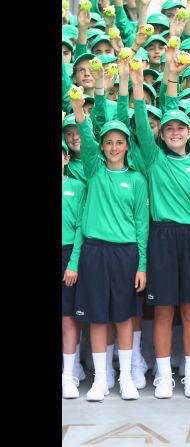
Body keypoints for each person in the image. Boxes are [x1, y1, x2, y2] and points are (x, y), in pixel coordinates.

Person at [129, 54, 190, 399]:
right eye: (170, 128)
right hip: (161, 237)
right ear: (161, 134)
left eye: (181, 127)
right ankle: (164, 376)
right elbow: (139, 115)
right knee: (163, 310)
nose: (176, 132)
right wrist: (137, 83)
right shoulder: (153, 158)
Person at [70, 94, 149, 402]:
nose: (114, 147)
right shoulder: (93, 169)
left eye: (120, 142)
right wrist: (79, 108)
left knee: (125, 317)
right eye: (109, 142)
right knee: (98, 317)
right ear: (101, 147)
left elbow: (142, 225)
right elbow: (84, 134)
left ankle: (126, 377)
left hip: (126, 254)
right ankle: (101, 380)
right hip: (94, 252)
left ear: (127, 145)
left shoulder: (138, 179)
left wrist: (142, 265)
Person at [62, 140, 86, 399]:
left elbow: (81, 227)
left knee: (68, 317)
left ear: (67, 159)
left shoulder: (77, 187)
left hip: (68, 252)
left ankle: (68, 374)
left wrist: (74, 262)